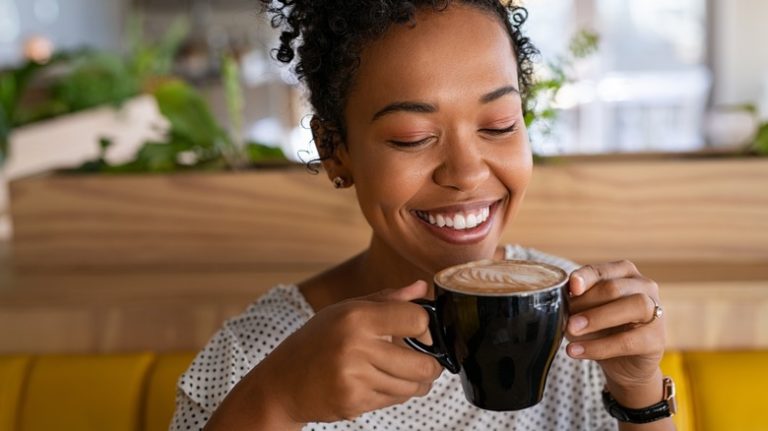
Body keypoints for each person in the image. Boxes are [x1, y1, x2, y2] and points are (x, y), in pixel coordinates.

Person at [171, 1, 672, 430]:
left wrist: (639, 391)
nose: (467, 172)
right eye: (412, 137)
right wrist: (275, 400)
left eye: (499, 126)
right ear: (335, 150)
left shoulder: (580, 326)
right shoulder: (251, 357)